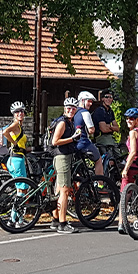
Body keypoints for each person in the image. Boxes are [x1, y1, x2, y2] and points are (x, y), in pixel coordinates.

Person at [49, 98, 83, 234]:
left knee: (58, 189)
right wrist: (72, 138)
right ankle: (62, 224)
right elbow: (55, 141)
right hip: (61, 157)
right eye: (68, 108)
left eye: (74, 108)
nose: (71, 110)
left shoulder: (68, 122)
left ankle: (55, 219)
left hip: (63, 156)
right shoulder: (62, 123)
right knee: (64, 190)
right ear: (64, 108)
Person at [2, 101, 31, 228]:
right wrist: (14, 142)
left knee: (21, 190)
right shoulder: (15, 125)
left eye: (22, 111)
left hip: (18, 158)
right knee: (22, 189)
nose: (20, 113)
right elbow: (5, 132)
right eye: (17, 112)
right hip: (16, 160)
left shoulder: (20, 126)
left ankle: (17, 219)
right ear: (13, 114)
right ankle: (14, 220)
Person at [74, 91, 103, 176]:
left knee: (79, 166)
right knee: (98, 160)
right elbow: (91, 130)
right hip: (84, 143)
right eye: (89, 101)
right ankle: (100, 184)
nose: (90, 104)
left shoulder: (73, 112)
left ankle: (79, 186)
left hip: (73, 144)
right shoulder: (85, 113)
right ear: (82, 101)